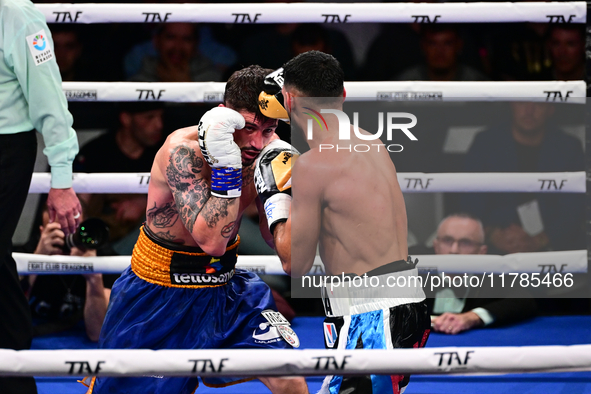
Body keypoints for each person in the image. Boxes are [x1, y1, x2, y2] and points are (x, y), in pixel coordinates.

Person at [86, 65, 308, 394]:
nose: (257, 141)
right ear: (224, 116)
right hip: (157, 294)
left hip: (227, 287)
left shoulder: (267, 152)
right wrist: (228, 166)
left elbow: (273, 241)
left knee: (289, 377)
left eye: (269, 130)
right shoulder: (182, 152)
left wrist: (283, 197)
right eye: (248, 127)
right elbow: (211, 240)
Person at [256, 51, 430, 394]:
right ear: (343, 95)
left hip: (372, 315)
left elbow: (295, 263)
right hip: (396, 302)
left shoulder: (314, 166)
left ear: (289, 100)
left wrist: (275, 197)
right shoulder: (373, 143)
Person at [0, 1, 82, 393]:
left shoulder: (16, 14)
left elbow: (49, 97)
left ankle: (14, 374)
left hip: (5, 147)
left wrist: (62, 179)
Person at [462, 102, 585, 254]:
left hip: (552, 248)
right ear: (511, 105)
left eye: (538, 104)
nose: (529, 110)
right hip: (495, 246)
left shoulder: (568, 147)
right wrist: (492, 234)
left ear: (551, 109)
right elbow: (469, 201)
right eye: (522, 102)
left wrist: (540, 240)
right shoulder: (486, 143)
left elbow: (574, 209)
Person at [74, 102, 165, 255]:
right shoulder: (97, 152)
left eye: (161, 117)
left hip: (141, 239)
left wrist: (145, 202)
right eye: (149, 118)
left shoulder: (165, 152)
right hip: (97, 234)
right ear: (126, 119)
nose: (159, 125)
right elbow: (77, 202)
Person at [430, 213, 537, 335]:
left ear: (482, 252)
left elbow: (524, 301)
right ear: (436, 246)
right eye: (447, 240)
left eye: (465, 242)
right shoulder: (413, 268)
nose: (454, 250)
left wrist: (472, 317)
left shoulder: (494, 275)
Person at [26, 207, 113, 342]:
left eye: (73, 229)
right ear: (42, 231)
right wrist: (36, 262)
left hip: (82, 347)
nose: (68, 237)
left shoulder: (103, 258)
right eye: (59, 231)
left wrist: (93, 277)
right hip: (32, 340)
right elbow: (8, 320)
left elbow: (97, 334)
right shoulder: (26, 254)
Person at [129, 23, 221, 83]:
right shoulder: (138, 82)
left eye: (186, 39)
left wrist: (185, 85)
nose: (178, 47)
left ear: (196, 44)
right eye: (171, 37)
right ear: (156, 41)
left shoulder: (213, 81)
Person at [396, 24, 487, 82]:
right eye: (432, 43)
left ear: (459, 45)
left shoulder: (477, 83)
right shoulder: (405, 83)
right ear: (423, 46)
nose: (440, 51)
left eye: (447, 43)